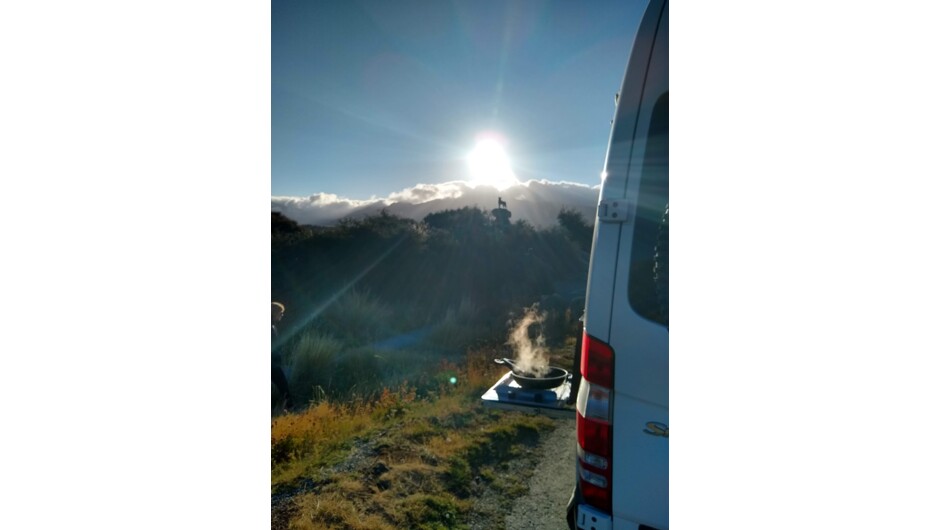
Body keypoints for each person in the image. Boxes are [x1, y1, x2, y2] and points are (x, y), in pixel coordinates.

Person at [271, 301, 294, 409]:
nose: (282, 315)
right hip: (272, 364)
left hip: (273, 362)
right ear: (274, 312)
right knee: (283, 385)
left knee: (282, 385)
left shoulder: (272, 326)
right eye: (280, 313)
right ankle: (289, 408)